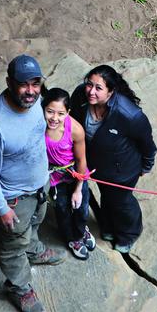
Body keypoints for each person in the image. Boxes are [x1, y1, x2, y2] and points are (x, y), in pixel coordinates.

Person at [0, 54, 66, 312]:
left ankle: (33, 250)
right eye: (23, 84)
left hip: (39, 185)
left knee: (35, 223)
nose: (31, 91)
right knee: (12, 244)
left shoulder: (38, 101)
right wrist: (0, 209)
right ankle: (18, 287)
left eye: (35, 83)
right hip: (13, 198)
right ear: (9, 83)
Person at [70, 65, 157, 253]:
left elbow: (147, 144)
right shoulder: (81, 97)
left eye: (98, 88)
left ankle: (129, 233)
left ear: (110, 91)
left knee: (122, 202)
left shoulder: (129, 115)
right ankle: (108, 226)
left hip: (122, 170)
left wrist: (146, 166)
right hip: (97, 165)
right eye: (89, 85)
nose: (91, 91)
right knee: (107, 196)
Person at [42, 87, 96, 260]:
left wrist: (78, 188)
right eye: (50, 111)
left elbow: (81, 160)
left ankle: (80, 231)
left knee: (81, 209)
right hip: (55, 178)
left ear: (68, 112)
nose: (54, 118)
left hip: (76, 174)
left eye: (61, 113)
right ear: (43, 109)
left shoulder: (75, 130)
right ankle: (72, 238)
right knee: (63, 210)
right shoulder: (38, 126)